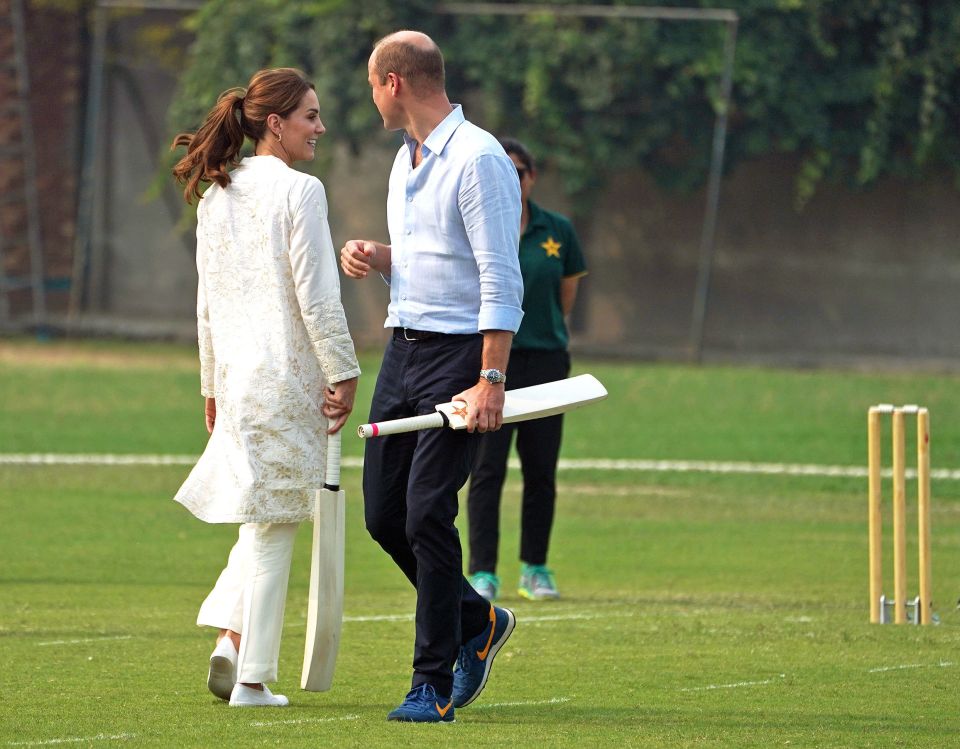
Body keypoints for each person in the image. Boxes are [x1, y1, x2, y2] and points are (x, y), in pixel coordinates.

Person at [339, 31, 523, 723]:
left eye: (370, 85)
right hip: (403, 350)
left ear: (393, 83)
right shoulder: (404, 157)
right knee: (385, 514)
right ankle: (478, 620)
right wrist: (380, 254)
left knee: (425, 514)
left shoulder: (479, 159)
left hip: (459, 359)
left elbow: (499, 275)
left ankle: (433, 680)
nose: (370, 98)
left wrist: (491, 377)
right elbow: (434, 259)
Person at [170, 67, 360, 708]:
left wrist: (210, 385)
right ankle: (252, 677)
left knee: (263, 518)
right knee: (277, 524)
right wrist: (344, 368)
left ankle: (231, 642)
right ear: (275, 124)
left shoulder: (216, 195)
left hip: (239, 383)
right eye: (310, 114)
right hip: (286, 382)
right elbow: (318, 292)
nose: (320, 127)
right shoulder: (300, 191)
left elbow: (205, 305)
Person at [466, 138, 588, 603]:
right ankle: (482, 573)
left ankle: (535, 567)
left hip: (545, 359)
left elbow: (565, 299)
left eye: (520, 172)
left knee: (541, 468)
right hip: (493, 361)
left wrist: (540, 333)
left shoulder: (557, 230)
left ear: (532, 177)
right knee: (487, 468)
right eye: (504, 171)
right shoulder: (477, 224)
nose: (512, 180)